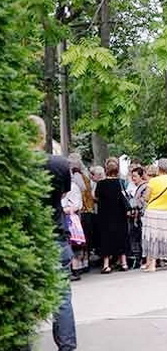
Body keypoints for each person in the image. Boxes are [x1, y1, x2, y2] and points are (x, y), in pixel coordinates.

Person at [29, 115, 77, 350]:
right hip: (56, 235)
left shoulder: (14, 168)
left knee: (23, 299)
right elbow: (62, 194)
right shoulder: (59, 164)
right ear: (43, 136)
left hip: (27, 239)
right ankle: (67, 345)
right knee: (62, 297)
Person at [94, 158, 129, 274]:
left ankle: (106, 265)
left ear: (106, 170)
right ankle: (123, 262)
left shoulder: (101, 184)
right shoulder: (121, 183)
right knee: (121, 237)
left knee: (106, 238)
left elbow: (96, 197)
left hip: (105, 216)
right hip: (120, 215)